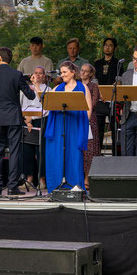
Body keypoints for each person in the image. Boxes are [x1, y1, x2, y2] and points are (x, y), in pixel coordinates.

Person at [0, 47, 35, 196]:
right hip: (13, 117)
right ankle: (12, 186)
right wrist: (31, 85)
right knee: (14, 151)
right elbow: (30, 96)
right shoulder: (17, 74)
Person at [45, 61, 91, 192]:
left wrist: (82, 126)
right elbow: (47, 103)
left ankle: (75, 186)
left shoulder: (82, 87)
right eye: (61, 72)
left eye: (65, 72)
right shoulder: (58, 88)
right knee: (57, 154)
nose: (62, 74)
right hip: (59, 126)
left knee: (74, 154)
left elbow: (88, 110)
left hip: (75, 125)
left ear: (73, 72)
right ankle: (56, 185)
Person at [21, 66, 50, 189]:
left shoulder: (48, 89)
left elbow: (47, 108)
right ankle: (29, 179)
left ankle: (42, 179)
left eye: (40, 73)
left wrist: (32, 118)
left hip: (40, 121)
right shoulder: (25, 89)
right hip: (26, 121)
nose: (37, 75)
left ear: (44, 76)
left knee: (40, 152)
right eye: (35, 73)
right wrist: (26, 121)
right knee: (26, 151)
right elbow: (21, 105)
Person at [93, 37, 123, 151]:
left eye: (110, 45)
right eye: (106, 45)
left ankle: (116, 154)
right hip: (100, 100)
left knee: (115, 129)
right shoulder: (97, 63)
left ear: (114, 48)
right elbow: (94, 81)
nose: (107, 47)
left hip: (112, 99)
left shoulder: (118, 63)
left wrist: (110, 92)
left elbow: (119, 81)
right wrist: (100, 94)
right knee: (99, 129)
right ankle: (97, 154)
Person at [79, 63, 101, 188]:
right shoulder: (76, 85)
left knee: (89, 149)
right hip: (76, 118)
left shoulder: (93, 86)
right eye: (81, 70)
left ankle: (87, 178)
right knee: (79, 149)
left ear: (90, 74)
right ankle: (78, 177)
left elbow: (92, 103)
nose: (83, 73)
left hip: (89, 119)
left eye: (86, 71)